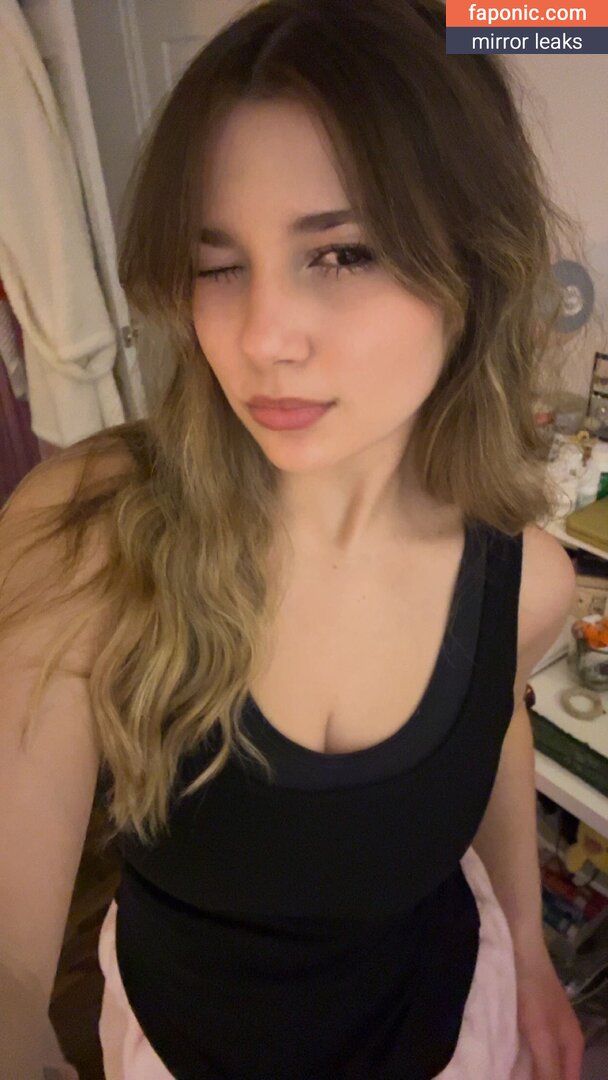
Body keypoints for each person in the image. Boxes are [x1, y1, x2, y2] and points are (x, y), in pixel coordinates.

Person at [0, 0, 589, 1077]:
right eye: (217, 264)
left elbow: (492, 720)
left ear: (476, 271)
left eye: (342, 253)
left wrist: (530, 944)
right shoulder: (92, 533)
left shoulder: (524, 580)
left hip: (442, 1027)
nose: (260, 337)